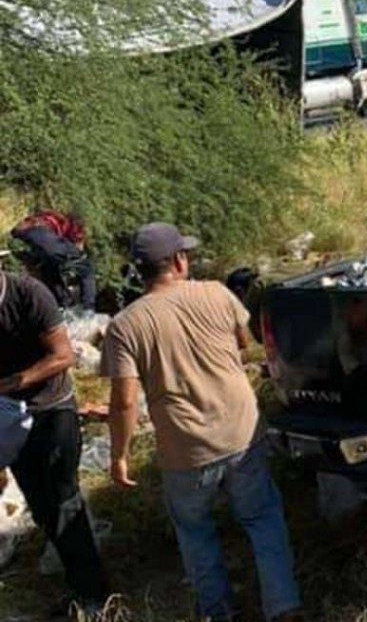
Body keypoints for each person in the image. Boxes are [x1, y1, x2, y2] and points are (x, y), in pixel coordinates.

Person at [100, 223, 302, 622]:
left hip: (185, 449)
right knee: (261, 518)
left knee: (195, 532)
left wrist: (119, 456)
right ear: (178, 260)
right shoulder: (217, 293)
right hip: (241, 431)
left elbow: (123, 401)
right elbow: (243, 343)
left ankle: (217, 612)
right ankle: (283, 607)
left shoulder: (125, 325)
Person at [0, 269, 108, 619]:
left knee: (64, 497)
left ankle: (94, 595)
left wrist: (14, 382)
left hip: (51, 408)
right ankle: (74, 580)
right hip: (9, 414)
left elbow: (64, 356)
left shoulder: (28, 293)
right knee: (39, 501)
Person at [11, 210, 97, 312]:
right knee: (86, 269)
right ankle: (88, 312)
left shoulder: (49, 219)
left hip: (22, 239)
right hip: (39, 234)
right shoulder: (69, 225)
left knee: (51, 270)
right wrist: (80, 254)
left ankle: (60, 305)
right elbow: (78, 247)